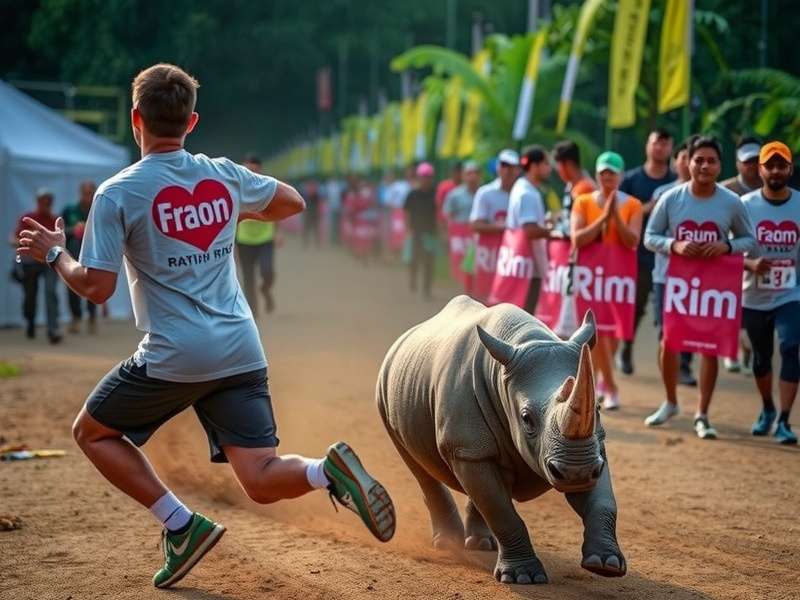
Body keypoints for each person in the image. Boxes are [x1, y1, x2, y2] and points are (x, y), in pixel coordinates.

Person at [16, 63, 395, 590]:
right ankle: (324, 472)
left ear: (135, 119)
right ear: (191, 121)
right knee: (260, 478)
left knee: (91, 431)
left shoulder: (116, 193)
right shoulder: (222, 174)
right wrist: (229, 211)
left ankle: (180, 525)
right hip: (241, 346)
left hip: (176, 352)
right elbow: (292, 200)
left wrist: (55, 253)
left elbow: (96, 289)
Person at [644, 136, 756, 439]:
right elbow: (650, 236)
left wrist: (726, 245)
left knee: (710, 348)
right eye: (699, 160)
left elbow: (750, 240)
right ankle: (670, 402)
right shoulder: (671, 198)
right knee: (669, 341)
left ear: (720, 166)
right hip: (674, 282)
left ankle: (702, 414)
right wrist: (674, 244)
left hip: (713, 287)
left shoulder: (731, 202)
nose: (705, 166)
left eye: (711, 161)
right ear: (687, 162)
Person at [571, 151, 643, 410]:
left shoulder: (632, 205)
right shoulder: (582, 202)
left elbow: (632, 240)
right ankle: (610, 387)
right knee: (596, 331)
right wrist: (603, 217)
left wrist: (615, 217)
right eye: (603, 172)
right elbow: (577, 238)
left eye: (612, 172)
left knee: (614, 333)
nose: (606, 176)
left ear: (621, 175)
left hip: (619, 277)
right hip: (591, 277)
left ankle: (602, 379)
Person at [741, 141, 799, 445]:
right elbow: (729, 250)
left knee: (791, 347)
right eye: (770, 165)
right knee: (761, 357)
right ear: (760, 169)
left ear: (789, 168)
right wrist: (750, 264)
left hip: (791, 293)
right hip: (754, 295)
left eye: (782, 165)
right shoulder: (746, 206)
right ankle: (767, 408)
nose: (776, 170)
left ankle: (784, 420)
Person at [617, 128, 677, 376]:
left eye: (665, 143)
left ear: (671, 148)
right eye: (656, 143)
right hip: (638, 256)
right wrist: (650, 207)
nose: (660, 148)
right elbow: (620, 213)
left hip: (670, 258)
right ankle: (626, 349)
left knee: (672, 313)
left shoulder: (676, 183)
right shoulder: (631, 179)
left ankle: (678, 365)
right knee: (635, 307)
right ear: (648, 146)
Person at [650, 138, 697, 384]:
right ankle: (668, 370)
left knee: (690, 324)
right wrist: (674, 246)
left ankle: (685, 368)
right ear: (676, 161)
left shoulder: (711, 198)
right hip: (665, 274)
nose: (690, 164)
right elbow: (651, 236)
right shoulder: (663, 194)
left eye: (694, 158)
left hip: (697, 277)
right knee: (666, 328)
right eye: (685, 158)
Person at [721, 137, 762, 372]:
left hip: (764, 259)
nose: (752, 166)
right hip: (733, 256)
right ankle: (732, 350)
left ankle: (747, 350)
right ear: (737, 163)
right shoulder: (727, 190)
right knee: (731, 306)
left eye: (756, 161)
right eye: (747, 161)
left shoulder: (771, 189)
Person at [507, 145, 554, 314]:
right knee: (525, 313)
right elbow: (530, 230)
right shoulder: (527, 193)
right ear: (534, 166)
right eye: (546, 163)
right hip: (528, 267)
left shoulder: (522, 187)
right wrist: (552, 230)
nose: (550, 167)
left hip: (520, 264)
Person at [13, 188, 61, 343]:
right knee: (30, 296)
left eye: (49, 201)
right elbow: (14, 238)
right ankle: (30, 322)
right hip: (30, 262)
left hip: (48, 262)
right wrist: (25, 243)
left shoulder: (54, 220)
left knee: (50, 292)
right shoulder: (28, 218)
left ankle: (53, 328)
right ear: (38, 202)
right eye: (43, 201)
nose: (46, 204)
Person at [236, 155, 278, 316]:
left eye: (254, 169)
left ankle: (265, 290)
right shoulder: (236, 188)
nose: (250, 172)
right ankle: (253, 311)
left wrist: (278, 233)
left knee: (268, 272)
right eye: (247, 169)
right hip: (244, 240)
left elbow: (278, 210)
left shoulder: (268, 186)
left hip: (265, 238)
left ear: (260, 170)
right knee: (248, 277)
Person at [63, 181, 98, 334]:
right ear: (80, 193)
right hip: (73, 255)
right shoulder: (69, 210)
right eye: (85, 193)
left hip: (93, 255)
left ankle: (92, 317)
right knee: (72, 287)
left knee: (94, 285)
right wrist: (74, 229)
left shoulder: (98, 209)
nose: (87, 196)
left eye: (90, 193)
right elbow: (60, 231)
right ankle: (75, 318)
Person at [404, 162, 438, 300]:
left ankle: (426, 289)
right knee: (414, 259)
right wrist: (408, 228)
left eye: (429, 177)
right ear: (419, 177)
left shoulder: (435, 194)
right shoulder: (413, 194)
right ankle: (413, 279)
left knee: (429, 261)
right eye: (424, 176)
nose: (426, 179)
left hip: (430, 232)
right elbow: (406, 211)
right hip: (416, 231)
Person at [470, 149, 520, 234]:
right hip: (490, 246)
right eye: (504, 165)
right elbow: (476, 225)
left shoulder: (524, 194)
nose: (507, 170)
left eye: (512, 166)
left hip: (515, 246)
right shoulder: (485, 193)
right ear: (497, 167)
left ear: (518, 169)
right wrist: (505, 227)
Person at [553, 139, 596, 233]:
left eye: (558, 166)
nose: (558, 171)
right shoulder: (571, 185)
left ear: (568, 164)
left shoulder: (585, 189)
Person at [443, 160, 481, 224]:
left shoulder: (485, 194)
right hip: (459, 232)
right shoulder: (454, 195)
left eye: (476, 173)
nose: (473, 176)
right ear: (463, 175)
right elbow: (448, 215)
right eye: (469, 173)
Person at [302, 179, 322, 249]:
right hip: (310, 214)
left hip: (313, 214)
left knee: (314, 230)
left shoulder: (314, 194)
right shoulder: (308, 194)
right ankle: (307, 244)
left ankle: (315, 244)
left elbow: (318, 205)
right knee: (309, 230)